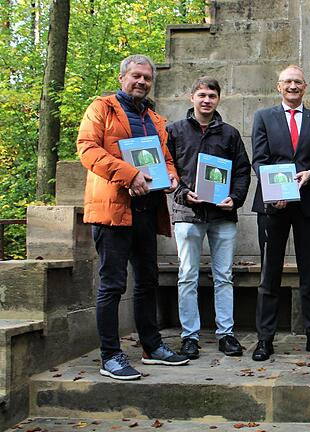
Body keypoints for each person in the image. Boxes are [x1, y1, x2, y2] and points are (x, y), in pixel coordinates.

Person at [76, 54, 189, 381]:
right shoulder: (102, 108)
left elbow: (166, 159)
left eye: (147, 78)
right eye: (136, 76)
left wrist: (171, 179)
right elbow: (87, 149)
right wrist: (129, 174)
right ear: (123, 77)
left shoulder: (155, 119)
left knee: (148, 280)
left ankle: (152, 346)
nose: (141, 82)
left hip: (147, 211)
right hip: (113, 208)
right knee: (112, 284)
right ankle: (110, 356)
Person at [250, 65, 310, 361]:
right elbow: (260, 160)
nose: (292, 86)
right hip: (273, 206)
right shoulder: (263, 117)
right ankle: (265, 339)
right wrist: (276, 192)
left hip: (309, 204)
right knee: (270, 273)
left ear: (305, 87)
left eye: (298, 82)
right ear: (279, 86)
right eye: (287, 82)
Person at [166, 77, 251, 359]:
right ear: (191, 97)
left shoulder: (230, 134)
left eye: (212, 96)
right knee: (187, 276)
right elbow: (168, 170)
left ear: (218, 99)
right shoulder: (175, 131)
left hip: (222, 215)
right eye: (201, 95)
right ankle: (189, 337)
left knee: (223, 276)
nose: (206, 100)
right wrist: (181, 193)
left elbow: (241, 171)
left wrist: (235, 199)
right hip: (187, 214)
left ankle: (225, 334)